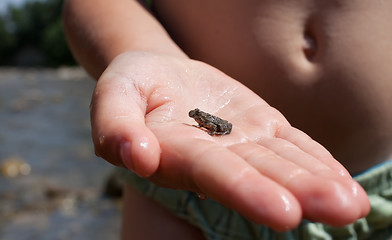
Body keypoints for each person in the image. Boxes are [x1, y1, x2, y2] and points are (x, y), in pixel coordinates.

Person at [62, 0, 392, 239]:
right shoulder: (198, 119)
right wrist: (146, 50)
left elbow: (214, 123)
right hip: (181, 196)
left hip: (378, 189)